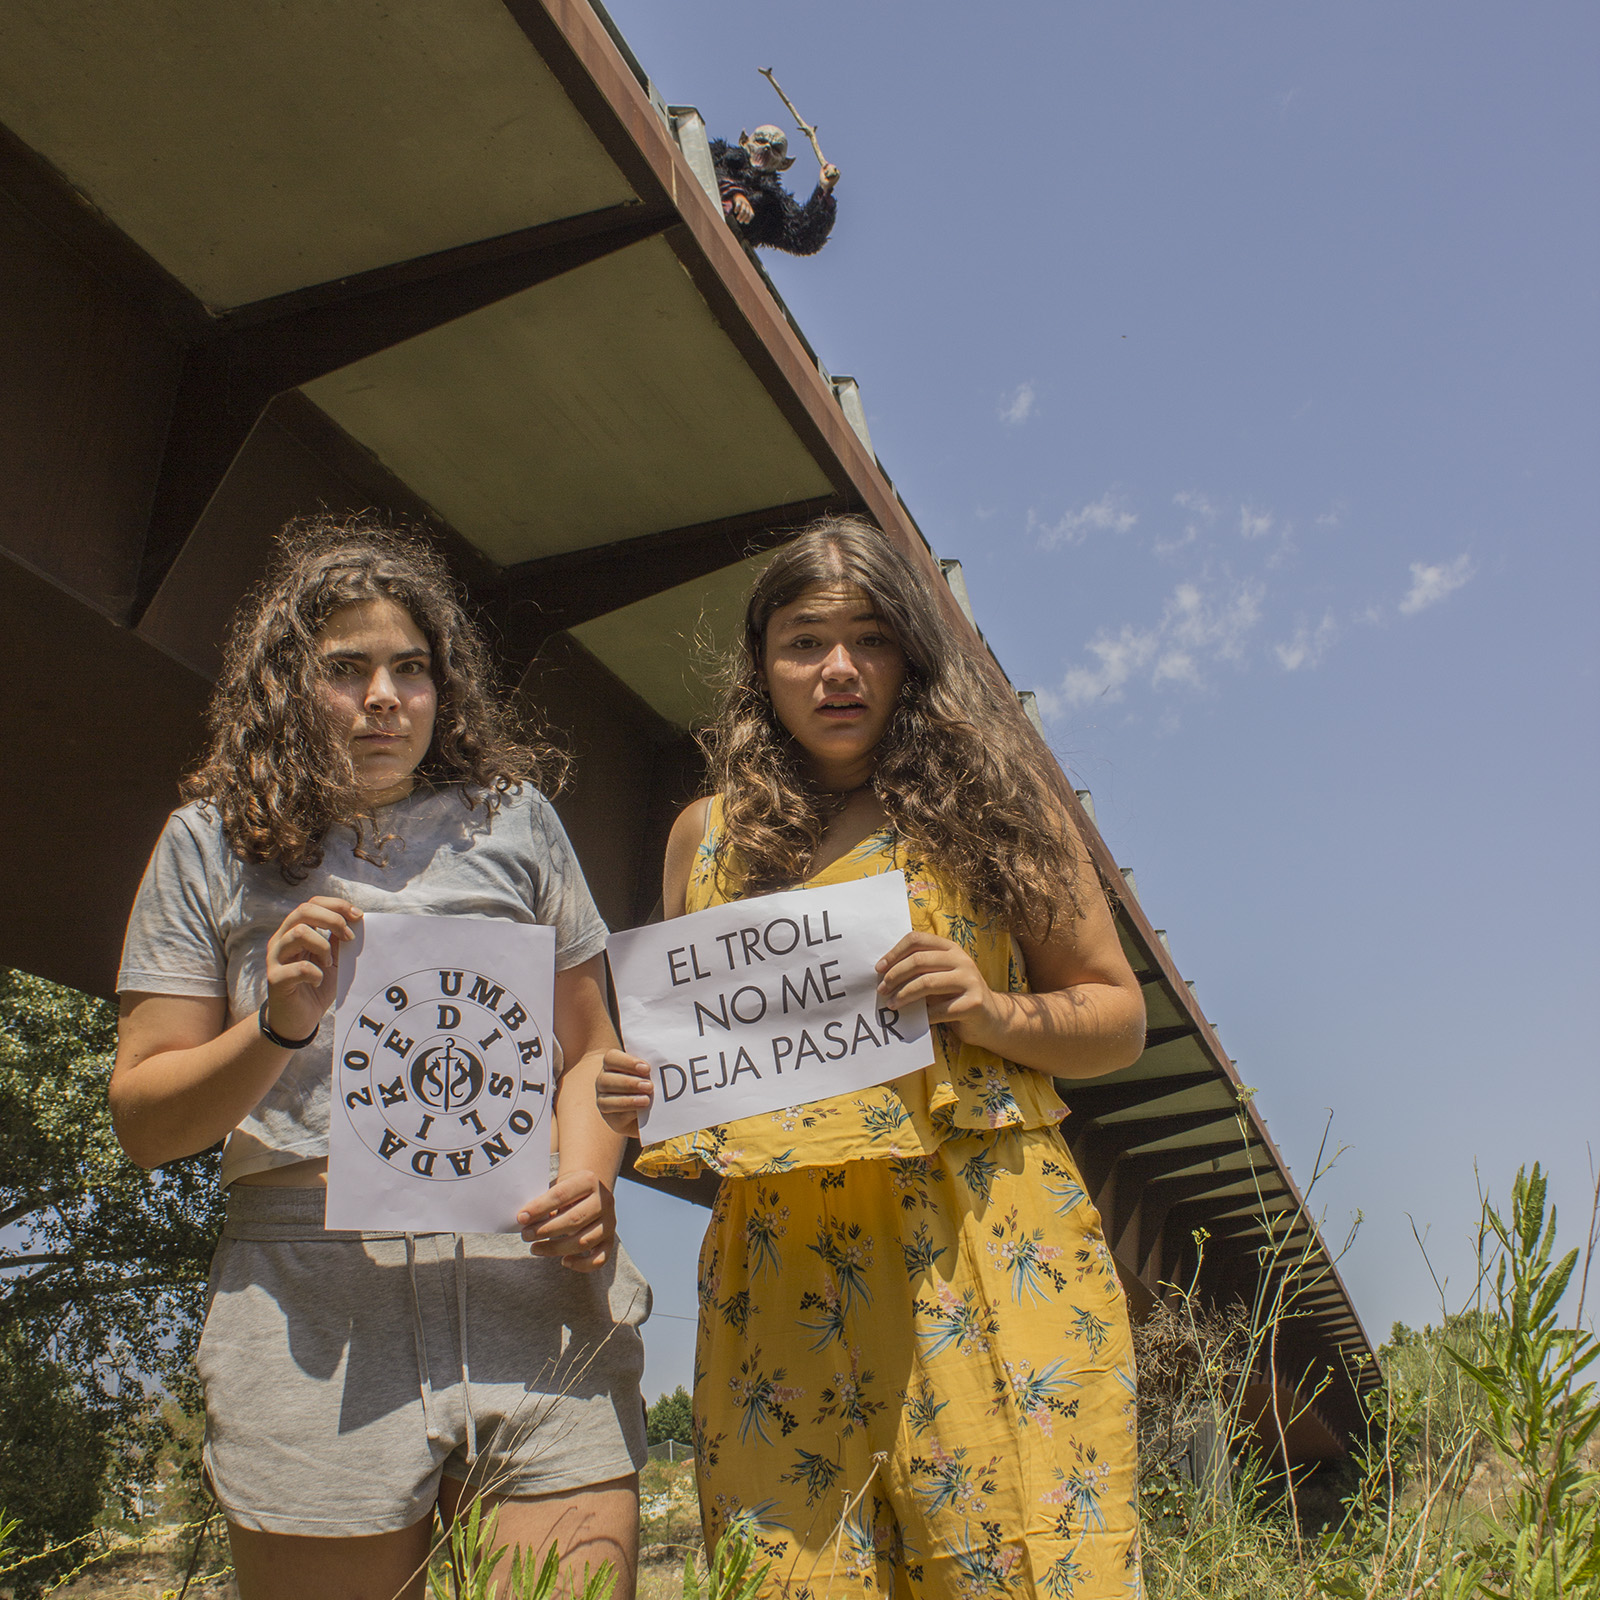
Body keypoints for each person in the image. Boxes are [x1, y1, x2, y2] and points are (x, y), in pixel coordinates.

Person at [598, 517, 1148, 1598]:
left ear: (911, 655)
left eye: (870, 637)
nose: (838, 668)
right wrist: (641, 1089)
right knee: (791, 1574)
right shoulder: (700, 837)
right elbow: (704, 1083)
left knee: (1018, 1566)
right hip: (780, 1261)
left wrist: (990, 1009)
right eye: (805, 641)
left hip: (984, 1242)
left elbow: (1116, 1017)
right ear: (761, 663)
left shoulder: (1001, 806)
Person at [110, 517, 648, 1600]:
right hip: (309, 1294)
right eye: (346, 670)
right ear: (285, 689)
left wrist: (588, 1174)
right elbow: (145, 1119)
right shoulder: (205, 841)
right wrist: (276, 1024)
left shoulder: (518, 822)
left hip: (526, 1282)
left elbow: (591, 1058)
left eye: (411, 668)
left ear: (444, 688)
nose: (385, 696)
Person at [710, 124, 839, 255]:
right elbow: (705, 166)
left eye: (776, 149)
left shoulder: (772, 205)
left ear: (784, 164)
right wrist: (735, 193)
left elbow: (804, 237)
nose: (766, 148)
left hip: (720, 250)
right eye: (760, 141)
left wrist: (824, 190)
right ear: (744, 141)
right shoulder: (720, 153)